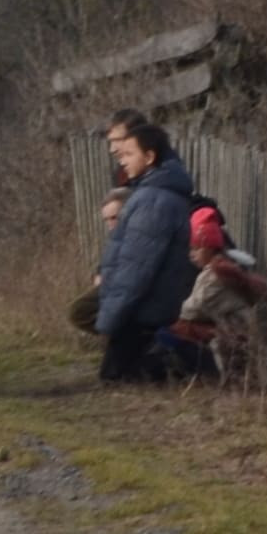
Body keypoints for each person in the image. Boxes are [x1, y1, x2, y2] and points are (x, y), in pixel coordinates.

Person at [93, 113, 200, 386]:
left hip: (142, 312)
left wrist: (111, 317)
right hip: (144, 311)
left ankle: (182, 364)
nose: (122, 159)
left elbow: (136, 267)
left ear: (150, 157)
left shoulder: (154, 200)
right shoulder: (152, 193)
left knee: (119, 378)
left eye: (129, 154)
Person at [170, 200, 267, 376]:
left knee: (175, 331)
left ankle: (196, 373)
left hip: (232, 334)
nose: (191, 255)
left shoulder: (214, 277)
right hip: (237, 329)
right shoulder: (223, 268)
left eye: (196, 249)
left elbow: (192, 309)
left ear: (210, 248)